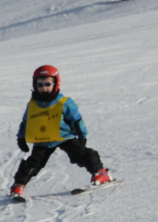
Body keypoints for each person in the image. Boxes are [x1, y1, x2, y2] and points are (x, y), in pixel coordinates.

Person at [10, 64, 112, 199]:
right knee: (34, 163)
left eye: (48, 84)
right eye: (40, 85)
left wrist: (82, 134)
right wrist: (21, 138)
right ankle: (19, 185)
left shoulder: (64, 102)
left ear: (56, 83)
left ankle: (100, 172)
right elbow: (26, 122)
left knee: (80, 154)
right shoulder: (33, 104)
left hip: (65, 136)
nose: (44, 88)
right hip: (43, 139)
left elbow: (76, 119)